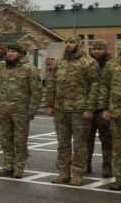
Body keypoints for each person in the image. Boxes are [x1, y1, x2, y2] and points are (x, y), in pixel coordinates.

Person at [0, 44, 42, 178]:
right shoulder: (0, 66)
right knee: (5, 140)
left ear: (20, 54)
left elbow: (36, 92)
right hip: (3, 109)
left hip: (21, 111)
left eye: (13, 52)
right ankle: (7, 166)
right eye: (8, 52)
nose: (10, 54)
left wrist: (31, 111)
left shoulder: (28, 69)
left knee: (20, 141)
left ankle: (19, 168)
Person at [45, 36, 99, 186]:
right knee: (62, 143)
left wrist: (89, 108)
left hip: (79, 110)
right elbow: (51, 84)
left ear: (79, 45)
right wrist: (49, 104)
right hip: (61, 109)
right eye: (66, 42)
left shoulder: (88, 62)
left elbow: (95, 86)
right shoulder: (60, 62)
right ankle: (63, 172)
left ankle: (78, 173)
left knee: (80, 144)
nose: (68, 45)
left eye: (71, 42)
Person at [87, 39, 113, 177]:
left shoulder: (112, 65)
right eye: (94, 49)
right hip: (89, 108)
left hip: (105, 110)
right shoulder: (87, 63)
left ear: (105, 50)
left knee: (107, 140)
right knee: (86, 139)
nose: (96, 51)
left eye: (100, 49)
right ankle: (86, 165)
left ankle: (107, 166)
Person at [96, 48, 121, 190]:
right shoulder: (112, 65)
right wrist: (104, 108)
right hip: (116, 113)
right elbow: (104, 87)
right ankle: (119, 179)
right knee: (117, 148)